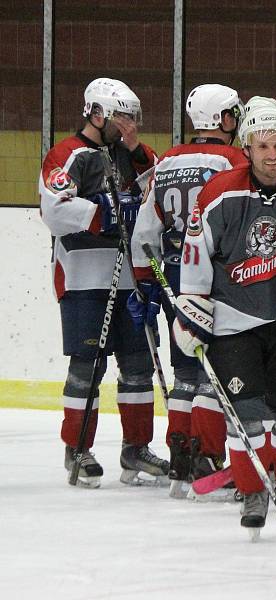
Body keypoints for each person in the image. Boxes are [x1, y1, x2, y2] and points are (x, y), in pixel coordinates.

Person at [170, 105, 276, 539]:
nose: (271, 154)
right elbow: (196, 254)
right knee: (244, 417)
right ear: (246, 147)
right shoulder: (220, 192)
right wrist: (192, 309)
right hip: (234, 322)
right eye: (263, 146)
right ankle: (254, 492)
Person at [39, 77, 166, 488]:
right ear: (97, 113)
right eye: (122, 117)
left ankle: (135, 449)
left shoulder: (129, 152)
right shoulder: (67, 154)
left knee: (137, 364)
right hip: (82, 277)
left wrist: (135, 151)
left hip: (130, 274)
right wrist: (105, 215)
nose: (130, 125)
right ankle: (77, 447)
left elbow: (159, 186)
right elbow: (54, 208)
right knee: (87, 367)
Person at [130, 84, 247, 495]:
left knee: (185, 370)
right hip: (219, 278)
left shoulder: (167, 160)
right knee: (216, 371)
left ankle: (179, 452)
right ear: (225, 119)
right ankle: (207, 455)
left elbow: (145, 230)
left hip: (175, 277)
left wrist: (144, 283)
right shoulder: (234, 159)